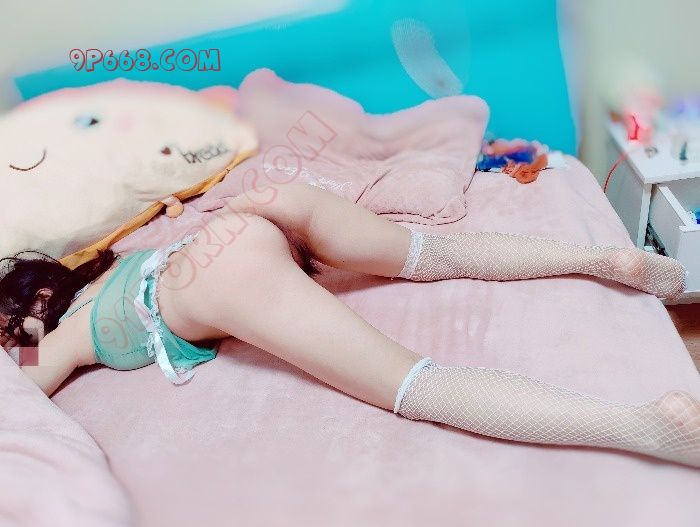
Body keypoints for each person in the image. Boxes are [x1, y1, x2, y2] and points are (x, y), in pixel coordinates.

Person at [0, 182, 697, 468]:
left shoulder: (64, 330)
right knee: (437, 253)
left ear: (31, 304)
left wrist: (26, 342)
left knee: (416, 384)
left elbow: (24, 388)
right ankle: (602, 259)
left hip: (215, 278)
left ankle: (644, 426)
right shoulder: (119, 262)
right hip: (253, 215)